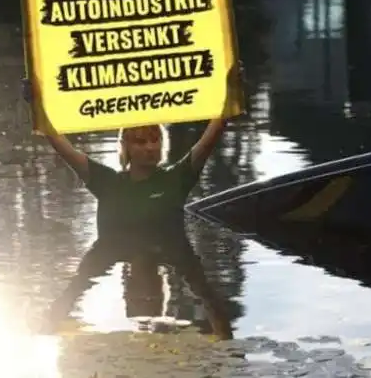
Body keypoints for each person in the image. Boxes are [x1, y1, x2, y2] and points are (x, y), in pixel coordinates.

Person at [21, 68, 243, 340]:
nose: (150, 147)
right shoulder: (106, 187)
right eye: (140, 141)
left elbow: (215, 311)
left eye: (155, 139)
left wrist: (232, 91)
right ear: (125, 147)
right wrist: (37, 103)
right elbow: (57, 142)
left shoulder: (176, 184)